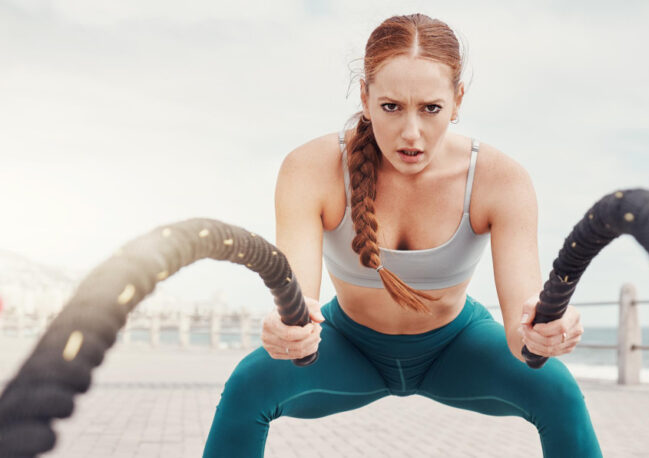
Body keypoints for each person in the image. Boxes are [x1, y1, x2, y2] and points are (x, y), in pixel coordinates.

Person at [204, 13, 602, 457]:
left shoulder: (500, 179)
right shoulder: (310, 169)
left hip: (454, 346)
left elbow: (520, 332)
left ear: (456, 101)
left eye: (431, 108)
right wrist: (287, 332)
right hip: (348, 346)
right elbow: (300, 306)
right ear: (365, 96)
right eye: (391, 106)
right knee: (247, 386)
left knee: (558, 390)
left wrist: (544, 334)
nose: (411, 133)